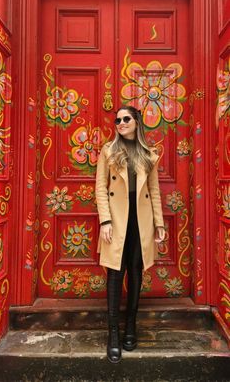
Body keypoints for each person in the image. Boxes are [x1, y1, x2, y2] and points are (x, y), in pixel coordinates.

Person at [95, 106, 165, 363]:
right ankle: (113, 334)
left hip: (141, 221)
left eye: (126, 119)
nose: (120, 123)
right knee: (115, 273)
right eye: (117, 120)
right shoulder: (109, 151)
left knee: (136, 271)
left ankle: (131, 327)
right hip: (116, 220)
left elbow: (155, 191)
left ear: (136, 122)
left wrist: (159, 223)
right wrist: (105, 221)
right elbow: (101, 189)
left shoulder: (149, 154)